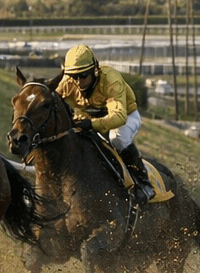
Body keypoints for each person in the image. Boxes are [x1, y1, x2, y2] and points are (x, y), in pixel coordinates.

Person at [55, 44, 154, 201]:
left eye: (83, 75)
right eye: (74, 77)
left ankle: (144, 184)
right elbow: (50, 99)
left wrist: (92, 124)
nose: (78, 82)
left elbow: (119, 116)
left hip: (126, 116)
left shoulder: (111, 80)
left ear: (94, 70)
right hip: (90, 119)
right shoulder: (68, 82)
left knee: (118, 139)